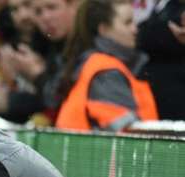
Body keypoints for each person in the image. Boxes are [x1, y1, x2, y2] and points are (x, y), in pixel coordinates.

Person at [55, 0, 158, 131]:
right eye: (127, 22)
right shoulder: (106, 72)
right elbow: (127, 135)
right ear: (103, 29)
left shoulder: (93, 63)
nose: (135, 29)